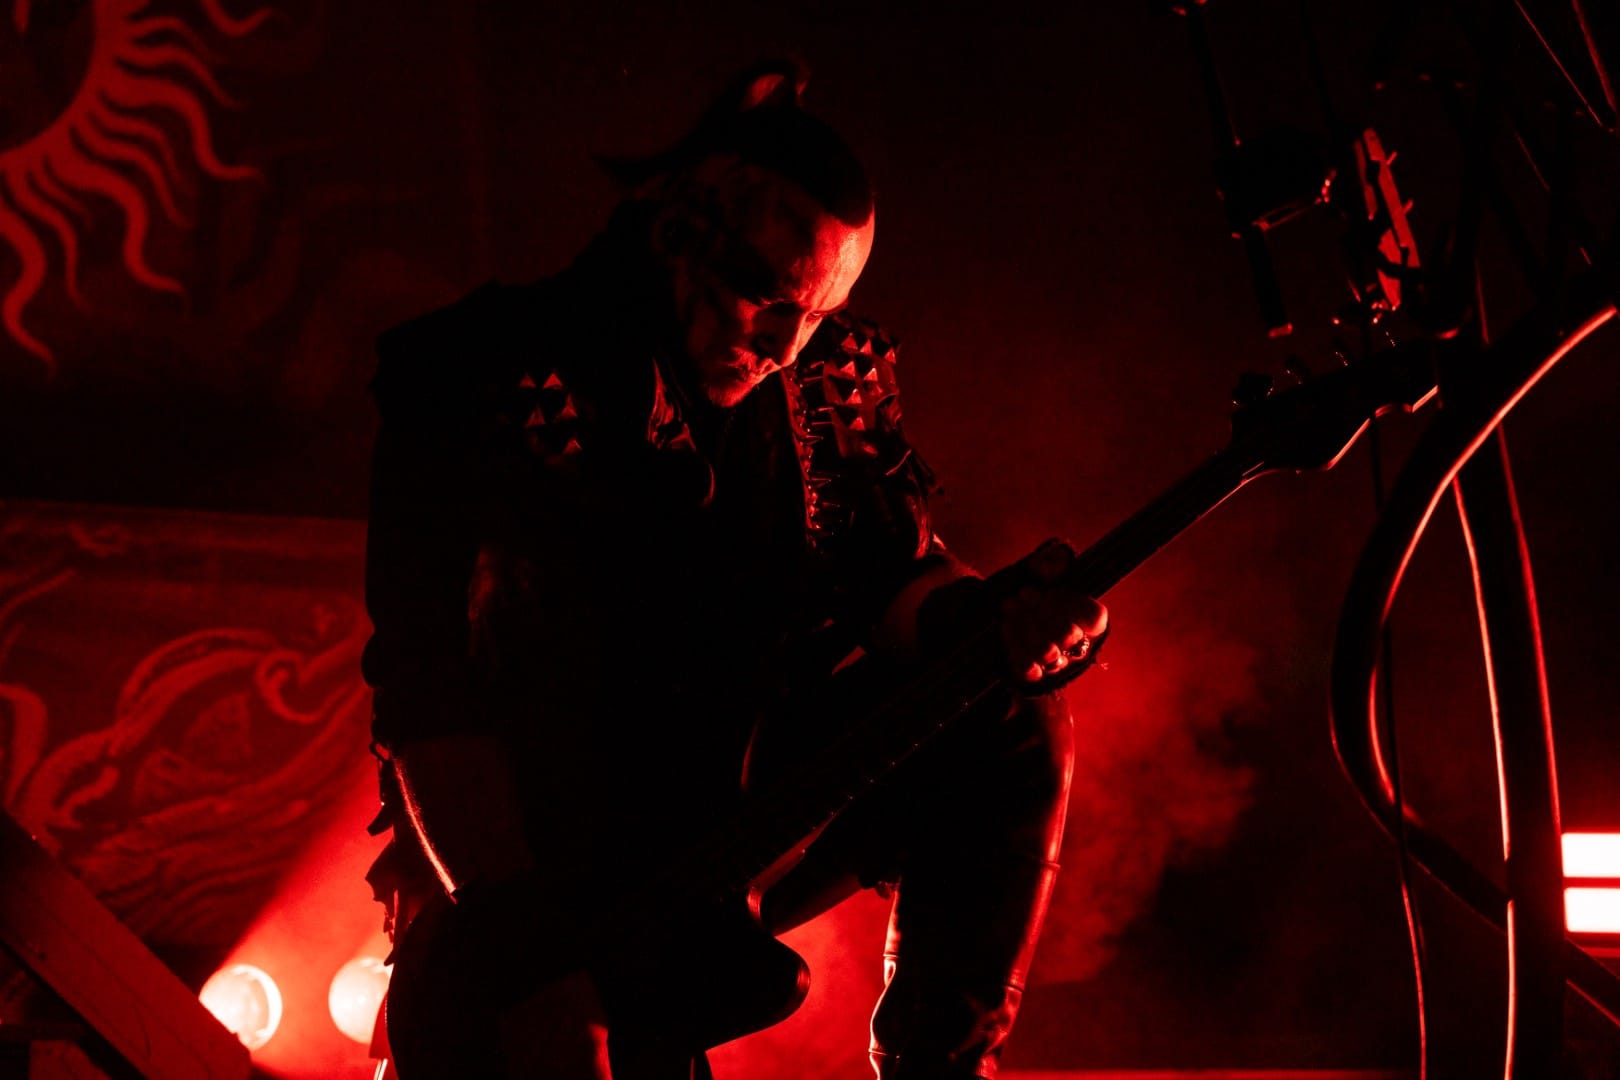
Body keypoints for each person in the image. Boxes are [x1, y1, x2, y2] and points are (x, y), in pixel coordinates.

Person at [360, 57, 1109, 1080]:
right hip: (543, 857)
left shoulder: (831, 377)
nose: (788, 345)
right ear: (677, 235)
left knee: (1004, 706)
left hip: (733, 816)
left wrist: (996, 623)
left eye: (819, 314)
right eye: (765, 299)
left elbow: (891, 581)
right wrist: (526, 955)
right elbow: (427, 692)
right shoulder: (481, 374)